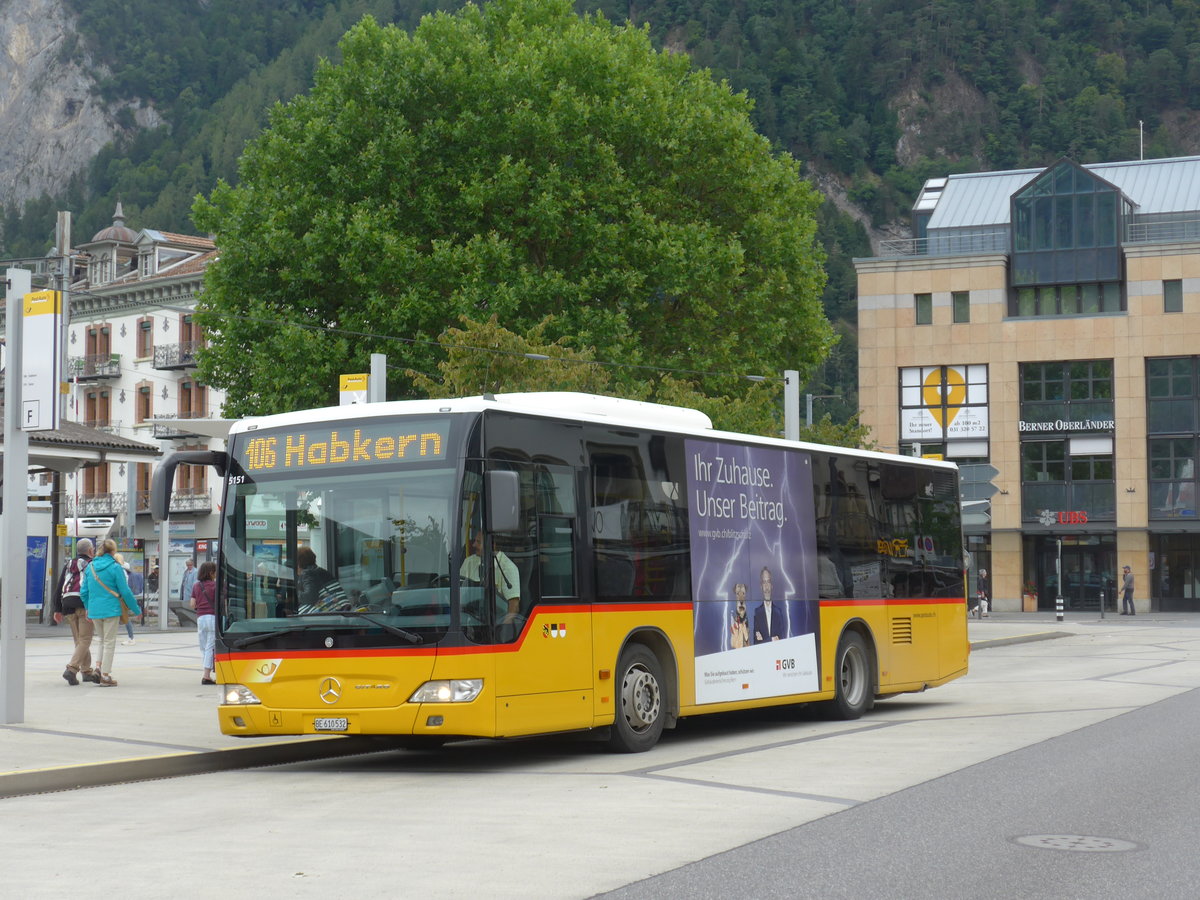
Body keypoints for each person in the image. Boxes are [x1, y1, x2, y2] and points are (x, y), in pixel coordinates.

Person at [81, 539, 142, 687]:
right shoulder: (116, 567)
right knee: (109, 642)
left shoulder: (91, 567)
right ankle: (106, 676)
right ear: (113, 552)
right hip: (111, 609)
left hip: (95, 610)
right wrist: (136, 609)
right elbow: (125, 592)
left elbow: (84, 591)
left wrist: (88, 608)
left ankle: (98, 668)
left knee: (102, 640)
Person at [52, 538, 100, 686]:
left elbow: (60, 585)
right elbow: (93, 586)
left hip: (67, 603)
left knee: (79, 641)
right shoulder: (91, 565)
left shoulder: (69, 564)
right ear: (91, 551)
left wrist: (57, 609)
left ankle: (86, 672)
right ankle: (71, 669)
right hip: (83, 603)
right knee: (85, 640)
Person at [460, 529, 520, 621]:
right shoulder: (469, 562)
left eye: (478, 542)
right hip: (468, 621)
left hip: (494, 625)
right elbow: (459, 592)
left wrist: (503, 631)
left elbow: (513, 607)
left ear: (492, 545)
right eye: (475, 541)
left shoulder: (508, 568)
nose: (474, 545)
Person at [190, 561, 218, 684]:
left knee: (203, 646)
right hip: (212, 617)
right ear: (211, 572)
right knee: (210, 647)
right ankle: (206, 675)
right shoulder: (216, 585)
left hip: (201, 618)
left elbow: (192, 604)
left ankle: (206, 672)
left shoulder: (196, 586)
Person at [753, 566, 786, 643]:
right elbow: (756, 642)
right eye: (764, 582)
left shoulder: (779, 612)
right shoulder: (757, 613)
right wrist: (772, 639)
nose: (767, 586)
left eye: (768, 581)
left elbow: (782, 641)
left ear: (772, 585)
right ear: (761, 586)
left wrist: (764, 640)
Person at [115, 553, 137, 644]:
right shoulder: (122, 570)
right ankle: (131, 637)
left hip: (120, 597)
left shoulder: (120, 571)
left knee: (124, 617)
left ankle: (131, 637)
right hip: (122, 597)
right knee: (120, 617)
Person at [730, 583, 750, 649]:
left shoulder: (746, 617)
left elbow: (747, 639)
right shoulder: (732, 616)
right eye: (738, 594)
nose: (741, 598)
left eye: (743, 593)